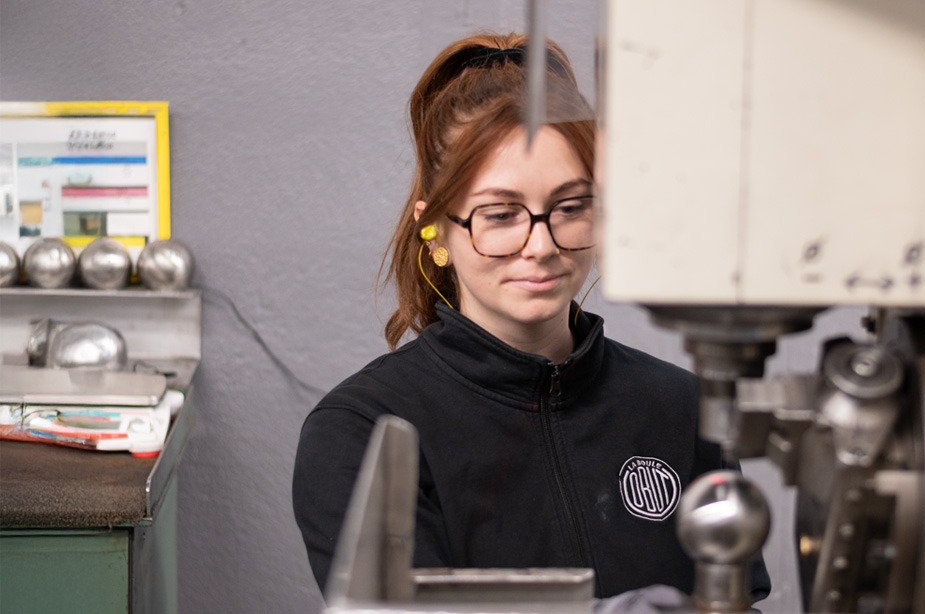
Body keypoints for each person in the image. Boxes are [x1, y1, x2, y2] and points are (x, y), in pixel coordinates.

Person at [292, 32, 770, 602]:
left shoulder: (680, 407)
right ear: (436, 231)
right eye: (500, 214)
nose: (540, 244)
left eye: (571, 208)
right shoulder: (361, 431)